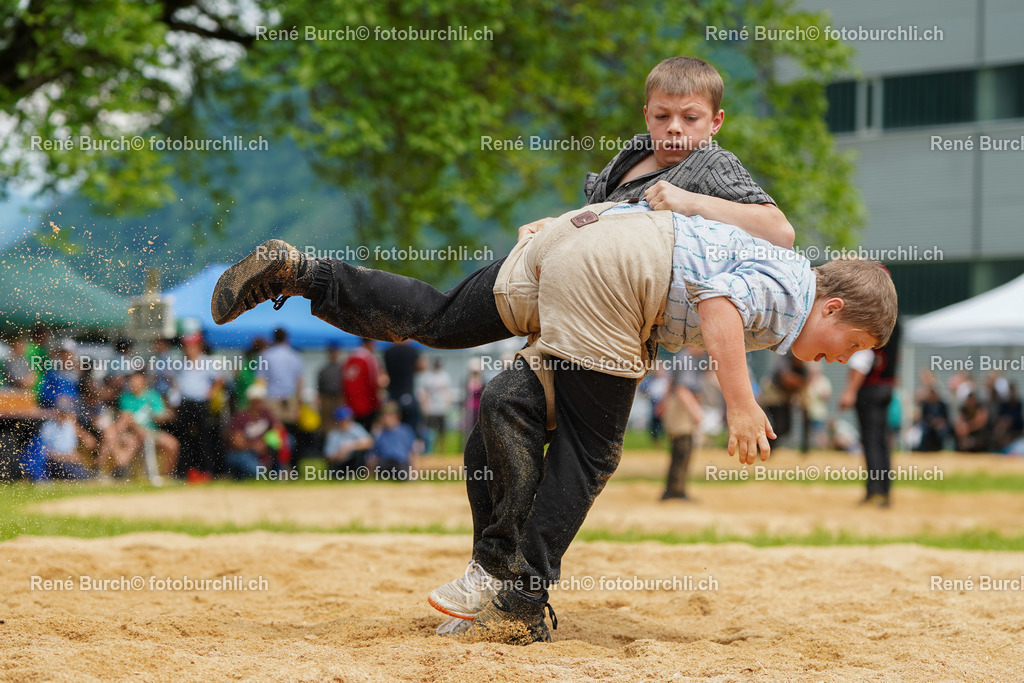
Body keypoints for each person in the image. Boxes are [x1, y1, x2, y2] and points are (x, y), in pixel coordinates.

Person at [426, 202, 896, 645]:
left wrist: (567, 224)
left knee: (500, 403)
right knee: (582, 450)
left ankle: (504, 586)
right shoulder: (791, 289)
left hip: (604, 285)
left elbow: (642, 210)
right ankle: (515, 595)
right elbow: (719, 299)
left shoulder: (783, 300)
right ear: (831, 308)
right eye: (852, 345)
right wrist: (742, 404)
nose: (843, 359)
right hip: (608, 291)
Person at [839, 318, 900, 507]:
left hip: (870, 389)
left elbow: (863, 359)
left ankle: (874, 491)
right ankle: (884, 491)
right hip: (887, 386)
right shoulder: (896, 323)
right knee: (882, 441)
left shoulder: (871, 320)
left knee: (871, 442)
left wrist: (850, 391)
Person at [173, 332, 224, 480]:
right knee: (185, 439)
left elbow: (219, 379)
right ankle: (184, 471)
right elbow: (177, 382)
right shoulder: (181, 363)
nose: (188, 350)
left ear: (198, 347)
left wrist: (210, 393)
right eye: (187, 347)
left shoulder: (207, 362)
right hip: (186, 404)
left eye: (191, 347)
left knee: (204, 438)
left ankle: (207, 470)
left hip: (201, 404)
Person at [658, 351, 704, 500]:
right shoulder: (687, 359)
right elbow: (682, 389)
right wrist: (695, 411)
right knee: (683, 448)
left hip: (680, 405)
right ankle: (675, 491)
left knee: (681, 448)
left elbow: (671, 383)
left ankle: (675, 489)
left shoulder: (685, 357)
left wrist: (664, 402)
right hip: (682, 406)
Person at [118, 371, 179, 479]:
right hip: (133, 433)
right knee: (132, 441)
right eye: (132, 381)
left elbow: (159, 417)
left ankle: (169, 476)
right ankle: (124, 475)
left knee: (172, 444)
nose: (134, 384)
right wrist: (139, 430)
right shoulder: (125, 397)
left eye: (137, 381)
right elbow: (126, 419)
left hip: (152, 431)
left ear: (143, 382)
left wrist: (167, 415)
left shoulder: (153, 396)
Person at [223, 382, 286, 479]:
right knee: (257, 472)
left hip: (262, 450)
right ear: (251, 401)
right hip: (241, 453)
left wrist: (266, 443)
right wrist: (253, 446)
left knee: (287, 441)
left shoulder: (267, 414)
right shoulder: (240, 417)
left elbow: (279, 429)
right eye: (258, 401)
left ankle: (277, 471)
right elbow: (236, 442)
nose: (261, 404)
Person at [259, 328, 304, 440]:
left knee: (273, 433)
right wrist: (299, 402)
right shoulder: (294, 355)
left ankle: (276, 456)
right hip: (290, 398)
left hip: (272, 398)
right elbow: (299, 381)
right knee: (290, 432)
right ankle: (290, 456)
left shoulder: (266, 355)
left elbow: (261, 380)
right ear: (286, 338)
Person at [38, 396, 97, 481]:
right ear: (57, 412)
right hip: (56, 462)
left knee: (84, 475)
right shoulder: (48, 427)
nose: (65, 415)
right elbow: (44, 451)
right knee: (78, 476)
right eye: (63, 413)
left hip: (72, 460)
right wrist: (65, 457)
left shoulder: (70, 424)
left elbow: (90, 441)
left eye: (66, 412)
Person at [367, 402, 421, 480]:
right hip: (384, 463)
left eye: (386, 416)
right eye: (383, 416)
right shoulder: (379, 433)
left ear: (396, 416)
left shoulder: (406, 431)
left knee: (401, 469)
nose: (383, 418)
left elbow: (412, 454)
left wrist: (415, 474)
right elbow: (372, 456)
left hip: (400, 463)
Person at [343, 338, 383, 432]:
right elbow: (374, 383)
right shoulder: (369, 358)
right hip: (366, 404)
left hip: (351, 404)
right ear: (371, 343)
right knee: (366, 433)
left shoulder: (350, 357)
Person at [383, 339, 423, 431]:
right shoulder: (411, 350)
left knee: (393, 425)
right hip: (407, 393)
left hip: (393, 394)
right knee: (412, 425)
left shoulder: (388, 352)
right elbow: (421, 367)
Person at [417, 358, 454, 453]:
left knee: (442, 433)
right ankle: (430, 451)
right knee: (431, 432)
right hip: (432, 409)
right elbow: (424, 393)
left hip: (442, 409)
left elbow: (448, 393)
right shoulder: (429, 377)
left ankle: (441, 450)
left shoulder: (445, 376)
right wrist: (424, 406)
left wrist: (448, 405)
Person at [323, 405, 374, 473]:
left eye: (348, 420)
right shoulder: (333, 434)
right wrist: (338, 456)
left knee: (361, 455)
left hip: (354, 462)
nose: (346, 423)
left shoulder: (356, 428)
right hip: (339, 464)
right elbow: (328, 456)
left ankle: (358, 474)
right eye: (343, 420)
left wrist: (351, 446)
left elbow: (370, 443)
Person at [316, 342, 345, 436]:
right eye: (332, 352)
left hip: (338, 397)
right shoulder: (323, 370)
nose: (333, 354)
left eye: (335, 352)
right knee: (326, 423)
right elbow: (319, 389)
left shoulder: (342, 368)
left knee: (340, 421)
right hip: (326, 398)